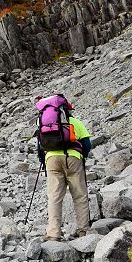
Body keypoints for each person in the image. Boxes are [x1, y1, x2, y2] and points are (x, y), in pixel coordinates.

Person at [37, 97, 92, 241]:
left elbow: (39, 147)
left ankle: (54, 233)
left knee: (54, 197)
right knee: (79, 196)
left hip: (51, 161)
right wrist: (82, 156)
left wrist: (44, 162)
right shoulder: (74, 122)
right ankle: (83, 230)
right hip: (73, 159)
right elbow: (87, 145)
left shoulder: (44, 123)